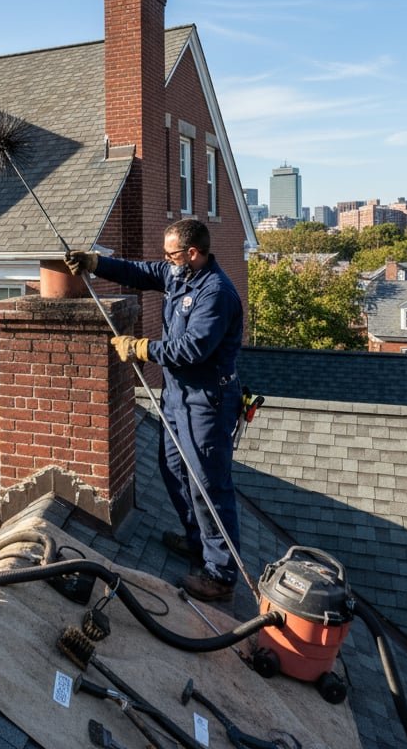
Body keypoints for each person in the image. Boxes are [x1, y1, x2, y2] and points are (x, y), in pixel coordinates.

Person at [65, 219, 244, 602]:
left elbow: (193, 349)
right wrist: (95, 263)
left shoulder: (215, 293)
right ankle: (199, 542)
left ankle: (221, 574)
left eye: (171, 254)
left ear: (192, 253)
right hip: (179, 396)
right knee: (173, 467)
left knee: (207, 485)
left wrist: (141, 348)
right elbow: (139, 271)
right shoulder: (179, 275)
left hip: (207, 400)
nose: (165, 261)